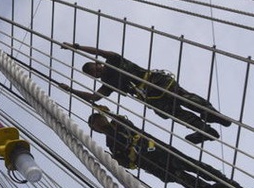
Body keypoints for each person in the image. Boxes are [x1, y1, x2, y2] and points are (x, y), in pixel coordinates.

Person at [58, 43, 230, 144]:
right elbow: (94, 97)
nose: (96, 72)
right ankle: (204, 129)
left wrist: (77, 47)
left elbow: (101, 52)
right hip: (149, 95)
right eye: (92, 74)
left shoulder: (113, 61)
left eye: (94, 68)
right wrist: (71, 90)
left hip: (153, 82)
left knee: (181, 98)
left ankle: (211, 115)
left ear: (98, 65)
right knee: (174, 111)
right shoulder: (108, 84)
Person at [87, 108, 239, 188]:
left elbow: (125, 124)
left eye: (98, 120)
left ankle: (220, 180)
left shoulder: (117, 122)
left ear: (104, 118)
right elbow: (125, 163)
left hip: (156, 149)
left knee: (190, 164)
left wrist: (105, 111)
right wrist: (115, 159)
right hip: (149, 163)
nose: (98, 124)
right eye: (95, 125)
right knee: (181, 178)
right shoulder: (111, 145)